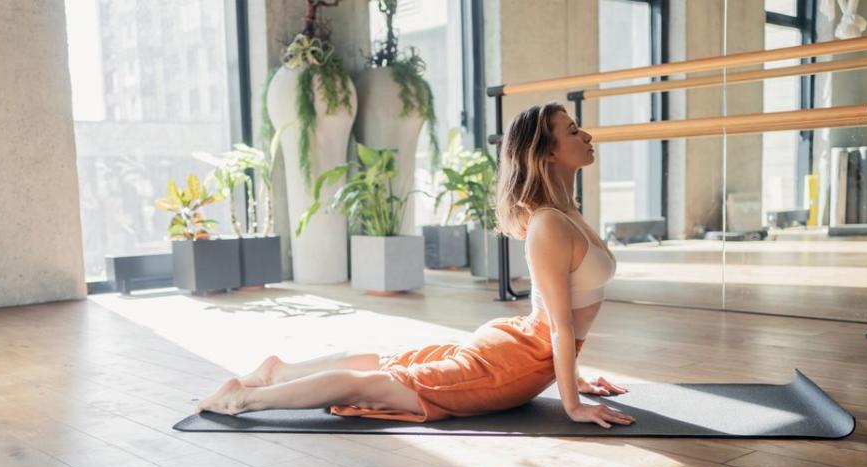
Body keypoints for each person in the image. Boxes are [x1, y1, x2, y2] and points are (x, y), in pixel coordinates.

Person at [196, 102, 636, 429]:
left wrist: (575, 374)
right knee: (374, 384)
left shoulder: (564, 213)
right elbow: (559, 325)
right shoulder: (550, 225)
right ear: (548, 153)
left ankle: (277, 372)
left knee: (393, 363)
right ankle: (242, 400)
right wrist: (572, 403)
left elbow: (562, 309)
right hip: (516, 363)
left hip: (520, 346)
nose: (587, 137)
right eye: (574, 131)